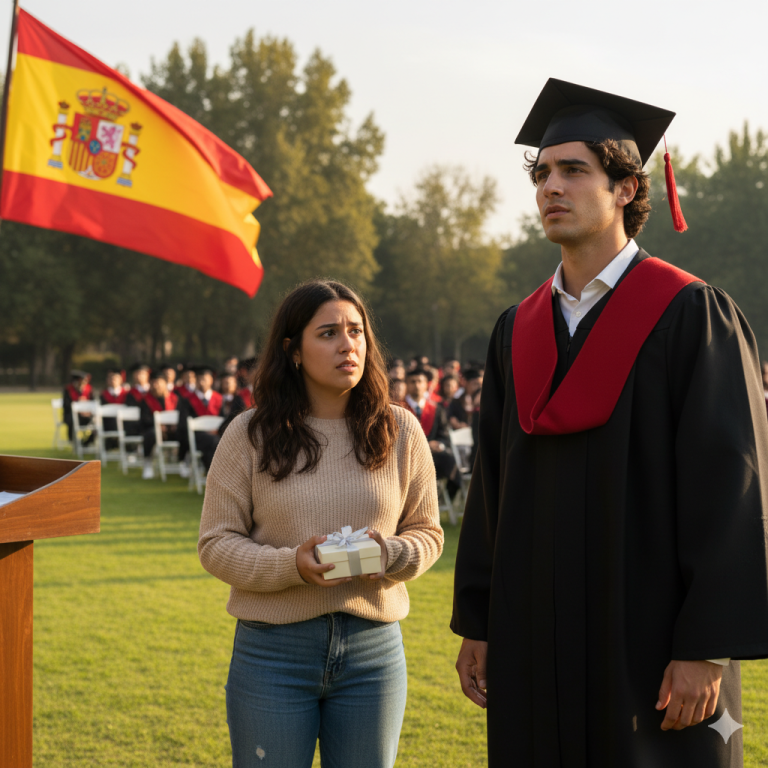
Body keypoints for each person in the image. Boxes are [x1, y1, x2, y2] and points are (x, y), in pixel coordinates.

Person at [452, 78, 768, 768]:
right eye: (541, 173)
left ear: (626, 188)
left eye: (574, 170)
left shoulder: (691, 315)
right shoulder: (517, 329)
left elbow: (732, 489)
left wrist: (704, 645)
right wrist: (478, 620)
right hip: (535, 635)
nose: (550, 187)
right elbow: (492, 490)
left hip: (653, 644)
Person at [198, 279, 443, 768]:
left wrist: (390, 554)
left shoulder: (400, 429)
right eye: (328, 333)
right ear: (293, 351)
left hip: (373, 651)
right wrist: (293, 565)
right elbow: (216, 543)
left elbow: (428, 532)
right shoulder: (249, 434)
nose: (348, 344)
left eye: (356, 331)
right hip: (273, 651)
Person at [403, 368, 461, 499]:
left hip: (432, 456)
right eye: (412, 382)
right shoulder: (398, 408)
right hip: (406, 457)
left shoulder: (436, 409)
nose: (416, 385)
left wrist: (439, 444)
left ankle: (441, 500)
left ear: (426, 384)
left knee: (450, 462)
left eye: (420, 381)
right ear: (406, 384)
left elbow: (444, 435)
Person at [139, 370, 179, 480]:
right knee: (150, 434)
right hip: (154, 430)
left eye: (158, 382)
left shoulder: (174, 398)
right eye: (152, 383)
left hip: (172, 430)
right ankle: (148, 463)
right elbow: (144, 419)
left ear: (165, 383)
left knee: (183, 432)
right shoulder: (146, 400)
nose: (155, 385)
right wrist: (158, 425)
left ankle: (183, 462)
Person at [62, 369, 93, 443]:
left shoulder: (89, 389)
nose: (82, 384)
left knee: (96, 422)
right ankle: (72, 440)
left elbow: (93, 403)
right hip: (71, 414)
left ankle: (86, 442)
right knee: (72, 420)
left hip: (86, 415)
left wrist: (86, 405)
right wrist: (77, 404)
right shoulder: (68, 390)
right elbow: (66, 405)